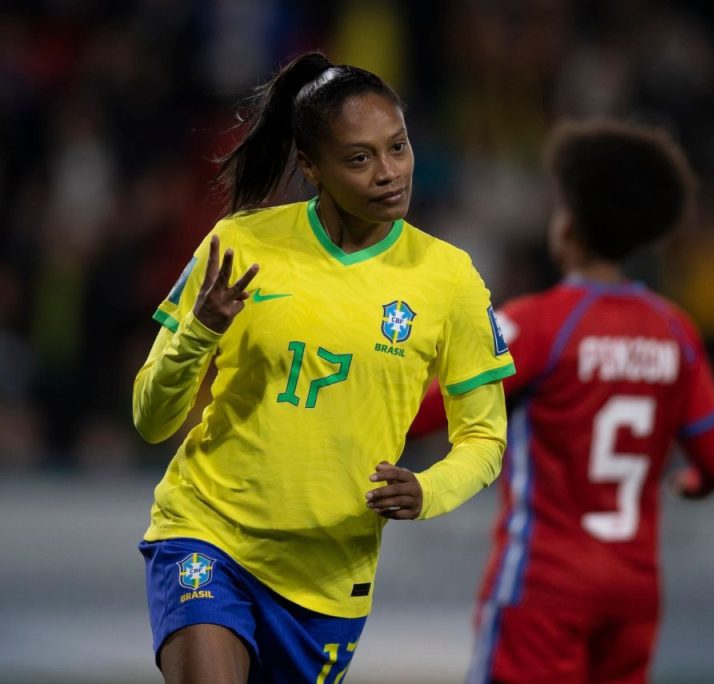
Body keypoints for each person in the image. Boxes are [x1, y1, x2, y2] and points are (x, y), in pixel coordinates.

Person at [132, 51, 515, 683]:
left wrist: (428, 491)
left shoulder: (449, 278)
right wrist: (199, 333)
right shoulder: (240, 245)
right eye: (360, 158)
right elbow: (150, 419)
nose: (389, 173)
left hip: (328, 579)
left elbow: (484, 439)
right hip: (208, 533)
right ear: (310, 167)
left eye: (399, 147)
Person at [410, 120, 714, 684]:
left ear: (571, 227)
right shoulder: (675, 331)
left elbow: (430, 413)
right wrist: (690, 485)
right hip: (633, 594)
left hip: (546, 587)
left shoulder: (541, 324)